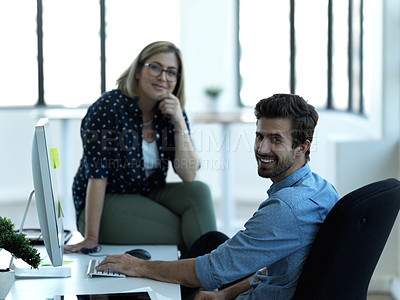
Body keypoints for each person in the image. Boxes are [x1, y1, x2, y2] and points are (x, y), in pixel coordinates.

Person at [96, 94, 340, 299]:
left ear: (303, 147)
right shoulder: (322, 188)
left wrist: (139, 266)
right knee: (210, 240)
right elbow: (278, 266)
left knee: (144, 287)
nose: (262, 149)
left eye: (276, 139)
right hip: (261, 288)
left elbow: (208, 272)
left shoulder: (284, 209)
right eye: (259, 136)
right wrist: (224, 294)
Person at [64, 41, 217, 254]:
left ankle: (205, 275)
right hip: (108, 201)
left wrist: (179, 122)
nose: (163, 77)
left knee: (199, 191)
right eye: (155, 67)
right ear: (137, 70)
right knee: (193, 231)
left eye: (171, 72)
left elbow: (189, 174)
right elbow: (97, 176)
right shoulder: (108, 107)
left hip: (147, 193)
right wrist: (91, 237)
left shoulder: (171, 111)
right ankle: (206, 277)